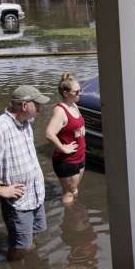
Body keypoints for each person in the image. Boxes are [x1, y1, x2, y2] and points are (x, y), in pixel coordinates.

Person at [0, 85, 50, 261]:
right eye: (37, 105)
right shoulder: (0, 128)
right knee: (19, 246)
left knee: (32, 236)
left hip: (35, 195)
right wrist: (0, 190)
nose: (40, 109)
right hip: (19, 203)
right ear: (24, 105)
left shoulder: (26, 122)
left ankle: (32, 264)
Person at [44, 72, 86, 205]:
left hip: (79, 156)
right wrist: (63, 148)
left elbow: (74, 127)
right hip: (67, 160)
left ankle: (76, 211)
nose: (80, 93)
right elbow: (49, 134)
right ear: (66, 93)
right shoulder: (60, 111)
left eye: (80, 90)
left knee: (74, 190)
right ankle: (69, 215)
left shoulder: (74, 105)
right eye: (77, 92)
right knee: (69, 193)